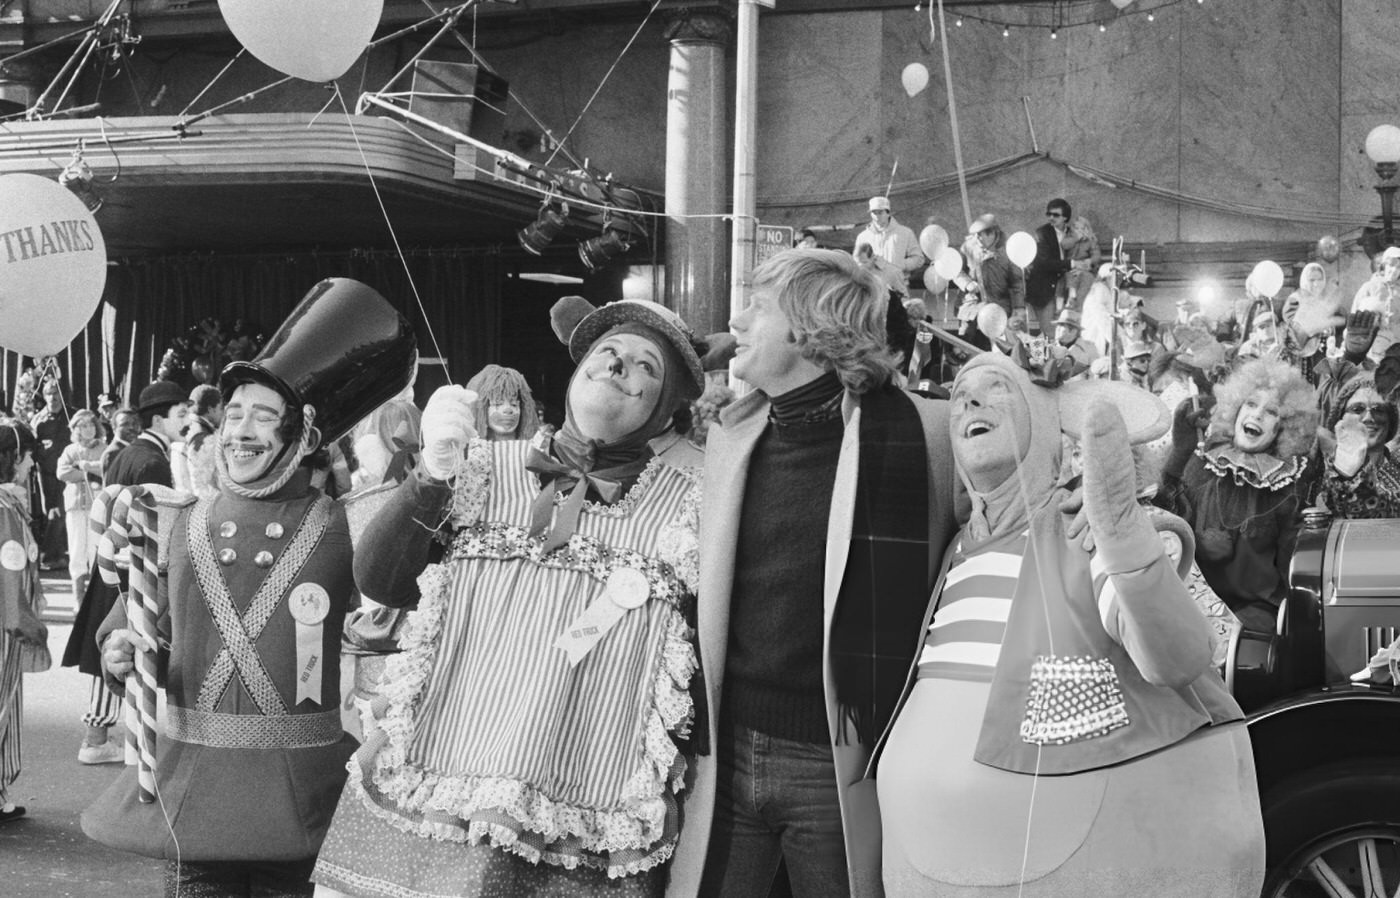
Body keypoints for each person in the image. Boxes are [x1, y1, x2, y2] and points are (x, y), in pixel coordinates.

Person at [312, 297, 708, 898]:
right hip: (440, 777)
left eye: (646, 366)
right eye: (607, 352)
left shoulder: (693, 500)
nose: (619, 366)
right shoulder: (482, 465)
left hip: (582, 798)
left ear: (669, 405)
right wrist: (429, 477)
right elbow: (380, 582)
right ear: (577, 373)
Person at [876, 351, 1262, 897]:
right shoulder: (954, 548)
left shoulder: (1079, 530)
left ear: (1043, 415)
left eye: (998, 388)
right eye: (961, 394)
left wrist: (1126, 543)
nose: (972, 400)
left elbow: (1177, 658)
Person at [82, 278, 417, 898]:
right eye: (233, 413)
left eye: (263, 417)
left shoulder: (346, 523)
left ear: (305, 437)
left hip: (298, 795)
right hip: (194, 794)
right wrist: (119, 651)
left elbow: (392, 592)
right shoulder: (170, 520)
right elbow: (134, 626)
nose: (239, 430)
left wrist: (433, 481)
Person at [666, 249, 959, 898]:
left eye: (757, 306)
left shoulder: (930, 435)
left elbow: (1022, 508)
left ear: (807, 327)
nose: (737, 320)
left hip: (844, 756)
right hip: (726, 747)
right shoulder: (734, 436)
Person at [1155, 358, 1317, 632]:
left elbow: (1295, 569)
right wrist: (1180, 452)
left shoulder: (1287, 485)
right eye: (1251, 404)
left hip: (1254, 619)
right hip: (1190, 608)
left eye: (1271, 412)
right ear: (1236, 409)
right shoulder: (1200, 461)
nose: (1256, 415)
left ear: (1285, 427)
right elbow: (1163, 524)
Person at [0, 419, 49, 824]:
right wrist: (28, 626)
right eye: (30, 456)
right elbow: (11, 574)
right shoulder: (4, 509)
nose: (32, 464)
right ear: (14, 458)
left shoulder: (8, 504)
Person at [1317, 376, 1400, 519]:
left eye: (1378, 409)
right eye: (1357, 409)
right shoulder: (1320, 472)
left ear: (1390, 422)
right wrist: (1345, 474)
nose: (1368, 417)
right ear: (1340, 420)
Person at [55, 410, 105, 607]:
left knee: (96, 550)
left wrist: (85, 466)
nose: (89, 429)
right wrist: (88, 473)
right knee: (77, 552)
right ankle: (78, 600)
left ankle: (95, 600)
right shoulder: (70, 450)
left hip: (97, 507)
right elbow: (62, 472)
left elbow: (106, 468)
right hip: (75, 507)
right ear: (76, 429)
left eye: (92, 425)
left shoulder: (104, 448)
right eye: (83, 426)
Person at [104, 381, 190, 489]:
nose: (188, 422)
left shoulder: (126, 454)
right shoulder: (153, 464)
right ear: (158, 420)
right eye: (181, 415)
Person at [30, 377, 70, 571]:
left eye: (56, 393)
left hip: (69, 474)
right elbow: (32, 448)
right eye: (49, 394)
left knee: (60, 513)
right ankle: (56, 555)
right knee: (51, 513)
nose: (53, 397)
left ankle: (49, 557)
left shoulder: (72, 416)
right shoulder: (38, 421)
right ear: (44, 396)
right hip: (45, 475)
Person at [1282, 262, 1346, 380]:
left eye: (1320, 279)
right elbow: (1293, 331)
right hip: (1303, 359)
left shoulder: (1327, 302)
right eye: (1311, 280)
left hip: (1324, 358)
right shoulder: (1295, 300)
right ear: (1304, 281)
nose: (1316, 284)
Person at [965, 214, 1026, 332]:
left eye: (980, 235)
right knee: (968, 339)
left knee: (1001, 341)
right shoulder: (969, 249)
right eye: (975, 235)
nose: (977, 239)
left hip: (1000, 306)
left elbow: (1017, 283)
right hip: (974, 305)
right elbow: (957, 271)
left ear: (992, 234)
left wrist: (1019, 307)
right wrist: (967, 283)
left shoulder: (1008, 253)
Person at [1025, 198, 1075, 335]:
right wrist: (1071, 264)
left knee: (1067, 329)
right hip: (1045, 290)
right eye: (1049, 214)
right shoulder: (1042, 233)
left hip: (1067, 288)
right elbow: (1044, 262)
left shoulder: (1072, 233)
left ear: (1065, 217)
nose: (1051, 218)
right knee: (1049, 331)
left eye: (1056, 215)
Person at [854, 196, 924, 287]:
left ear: (888, 213)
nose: (877, 216)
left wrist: (902, 264)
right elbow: (856, 263)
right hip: (873, 289)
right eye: (874, 212)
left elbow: (919, 259)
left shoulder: (905, 233)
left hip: (898, 287)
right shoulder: (863, 237)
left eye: (880, 212)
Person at [462, 363, 542, 442]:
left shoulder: (534, 450)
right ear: (481, 409)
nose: (508, 410)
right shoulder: (467, 452)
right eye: (498, 404)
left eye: (514, 404)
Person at [1351, 245, 1400, 364]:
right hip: (1371, 347)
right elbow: (1355, 317)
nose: (1394, 270)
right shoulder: (1369, 288)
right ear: (1383, 265)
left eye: (1399, 267)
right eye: (1391, 265)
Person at [177, 383, 225, 501]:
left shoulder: (185, 429)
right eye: (221, 408)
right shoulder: (201, 436)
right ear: (210, 409)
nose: (223, 414)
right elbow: (202, 487)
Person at [1060, 212, 1102, 310]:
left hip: (1086, 268)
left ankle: (1079, 304)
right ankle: (1072, 296)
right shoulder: (1069, 239)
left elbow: (1096, 255)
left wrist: (1089, 261)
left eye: (1082, 229)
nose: (1079, 231)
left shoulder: (1090, 241)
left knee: (1086, 278)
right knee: (1071, 275)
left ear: (1087, 229)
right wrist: (1075, 239)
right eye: (1076, 229)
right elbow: (1064, 245)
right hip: (1071, 267)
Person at [100, 407, 140, 480]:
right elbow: (110, 488)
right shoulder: (112, 453)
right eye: (125, 424)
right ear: (114, 428)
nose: (131, 427)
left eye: (135, 424)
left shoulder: (137, 449)